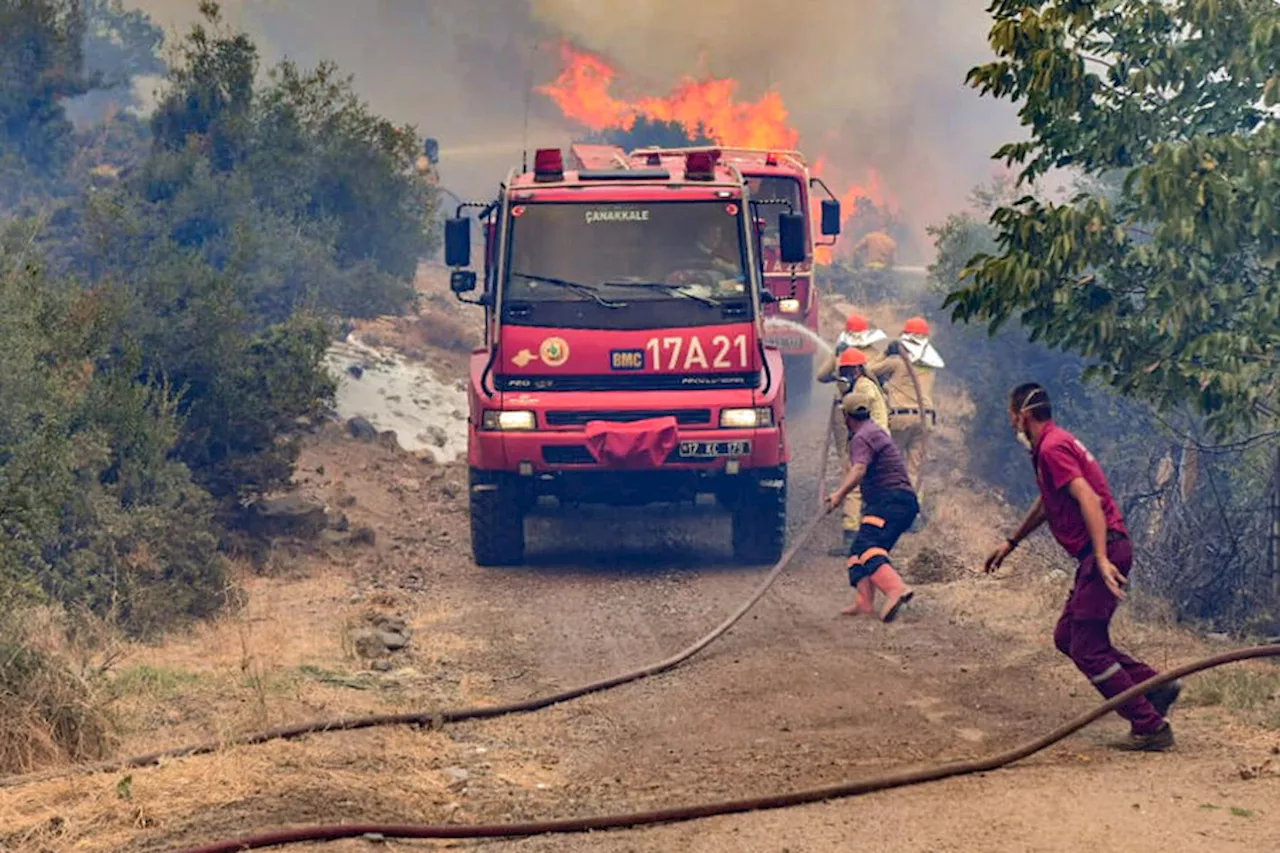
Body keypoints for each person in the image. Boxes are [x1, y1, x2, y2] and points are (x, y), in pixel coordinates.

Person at [984, 383, 1181, 752]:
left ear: (1023, 415)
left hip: (1104, 552)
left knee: (1087, 649)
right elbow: (1048, 502)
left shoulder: (1053, 447)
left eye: (1012, 415)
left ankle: (1149, 725)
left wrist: (1102, 558)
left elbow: (1088, 497)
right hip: (1099, 553)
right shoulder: (1051, 447)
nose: (1011, 423)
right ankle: (1154, 687)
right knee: (1068, 637)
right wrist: (1011, 542)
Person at [823, 385, 917, 622]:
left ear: (846, 416)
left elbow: (859, 469)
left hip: (890, 501)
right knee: (857, 551)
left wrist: (838, 495)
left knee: (867, 545)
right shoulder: (873, 430)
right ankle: (864, 602)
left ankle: (896, 588)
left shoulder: (861, 437)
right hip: (896, 502)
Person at [820, 348, 890, 555]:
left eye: (850, 370)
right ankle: (872, 537)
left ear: (859, 369)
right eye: (844, 370)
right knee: (870, 489)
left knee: (854, 485)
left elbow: (859, 410)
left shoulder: (863, 387)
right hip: (876, 442)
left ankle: (851, 536)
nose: (847, 374)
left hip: (871, 443)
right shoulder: (862, 384)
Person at [874, 316, 943, 494]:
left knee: (892, 465)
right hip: (925, 419)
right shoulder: (930, 367)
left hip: (901, 419)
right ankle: (913, 508)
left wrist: (885, 353)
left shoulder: (896, 362)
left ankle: (891, 505)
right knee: (915, 471)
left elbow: (866, 369)